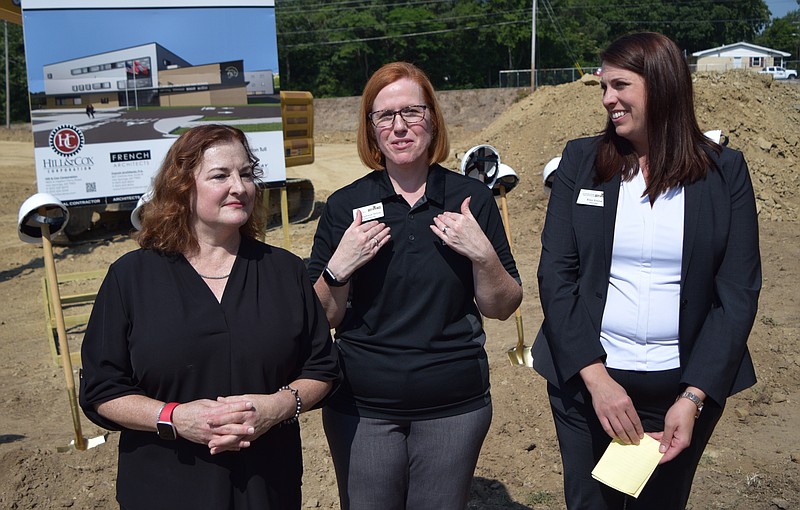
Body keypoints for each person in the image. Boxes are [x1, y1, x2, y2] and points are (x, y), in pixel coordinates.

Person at [532, 32, 761, 510]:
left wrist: (693, 397)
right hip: (586, 382)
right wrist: (597, 380)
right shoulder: (581, 162)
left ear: (662, 85)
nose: (607, 99)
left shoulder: (724, 172)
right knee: (591, 503)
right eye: (603, 87)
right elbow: (557, 276)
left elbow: (736, 293)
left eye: (620, 85)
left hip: (678, 391)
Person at [79, 124, 339, 509]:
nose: (240, 186)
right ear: (183, 188)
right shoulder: (131, 277)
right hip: (164, 488)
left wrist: (276, 408)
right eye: (220, 175)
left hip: (266, 486)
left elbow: (322, 368)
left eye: (247, 173)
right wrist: (174, 417)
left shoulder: (284, 271)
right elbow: (102, 389)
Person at [307, 61, 522, 510]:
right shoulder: (345, 206)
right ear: (371, 129)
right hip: (362, 406)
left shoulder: (469, 200)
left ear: (433, 119)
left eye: (412, 112)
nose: (399, 126)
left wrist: (482, 255)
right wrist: (338, 268)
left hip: (454, 405)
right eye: (385, 115)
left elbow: (502, 306)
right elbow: (322, 318)